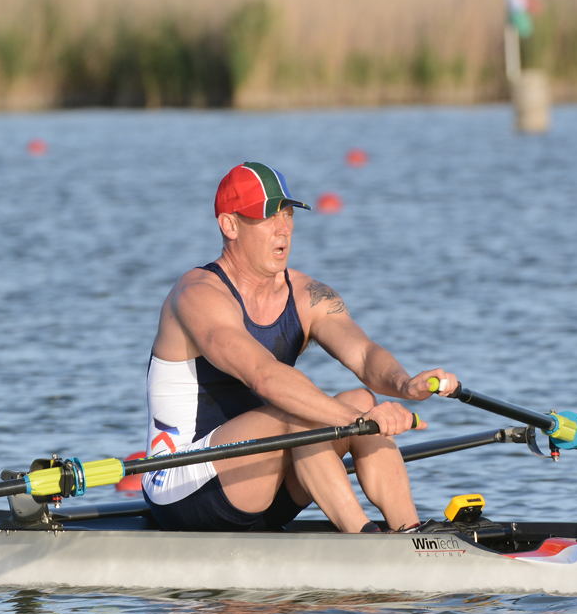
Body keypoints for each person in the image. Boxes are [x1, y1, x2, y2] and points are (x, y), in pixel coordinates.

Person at [141, 161, 460, 533]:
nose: (283, 230)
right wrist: (354, 424)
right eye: (267, 218)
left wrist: (404, 384)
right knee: (305, 411)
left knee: (360, 398)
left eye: (288, 215)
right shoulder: (198, 295)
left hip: (263, 481)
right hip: (184, 486)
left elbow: (364, 354)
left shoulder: (309, 294)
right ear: (229, 225)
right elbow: (264, 376)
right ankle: (363, 538)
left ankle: (410, 533)